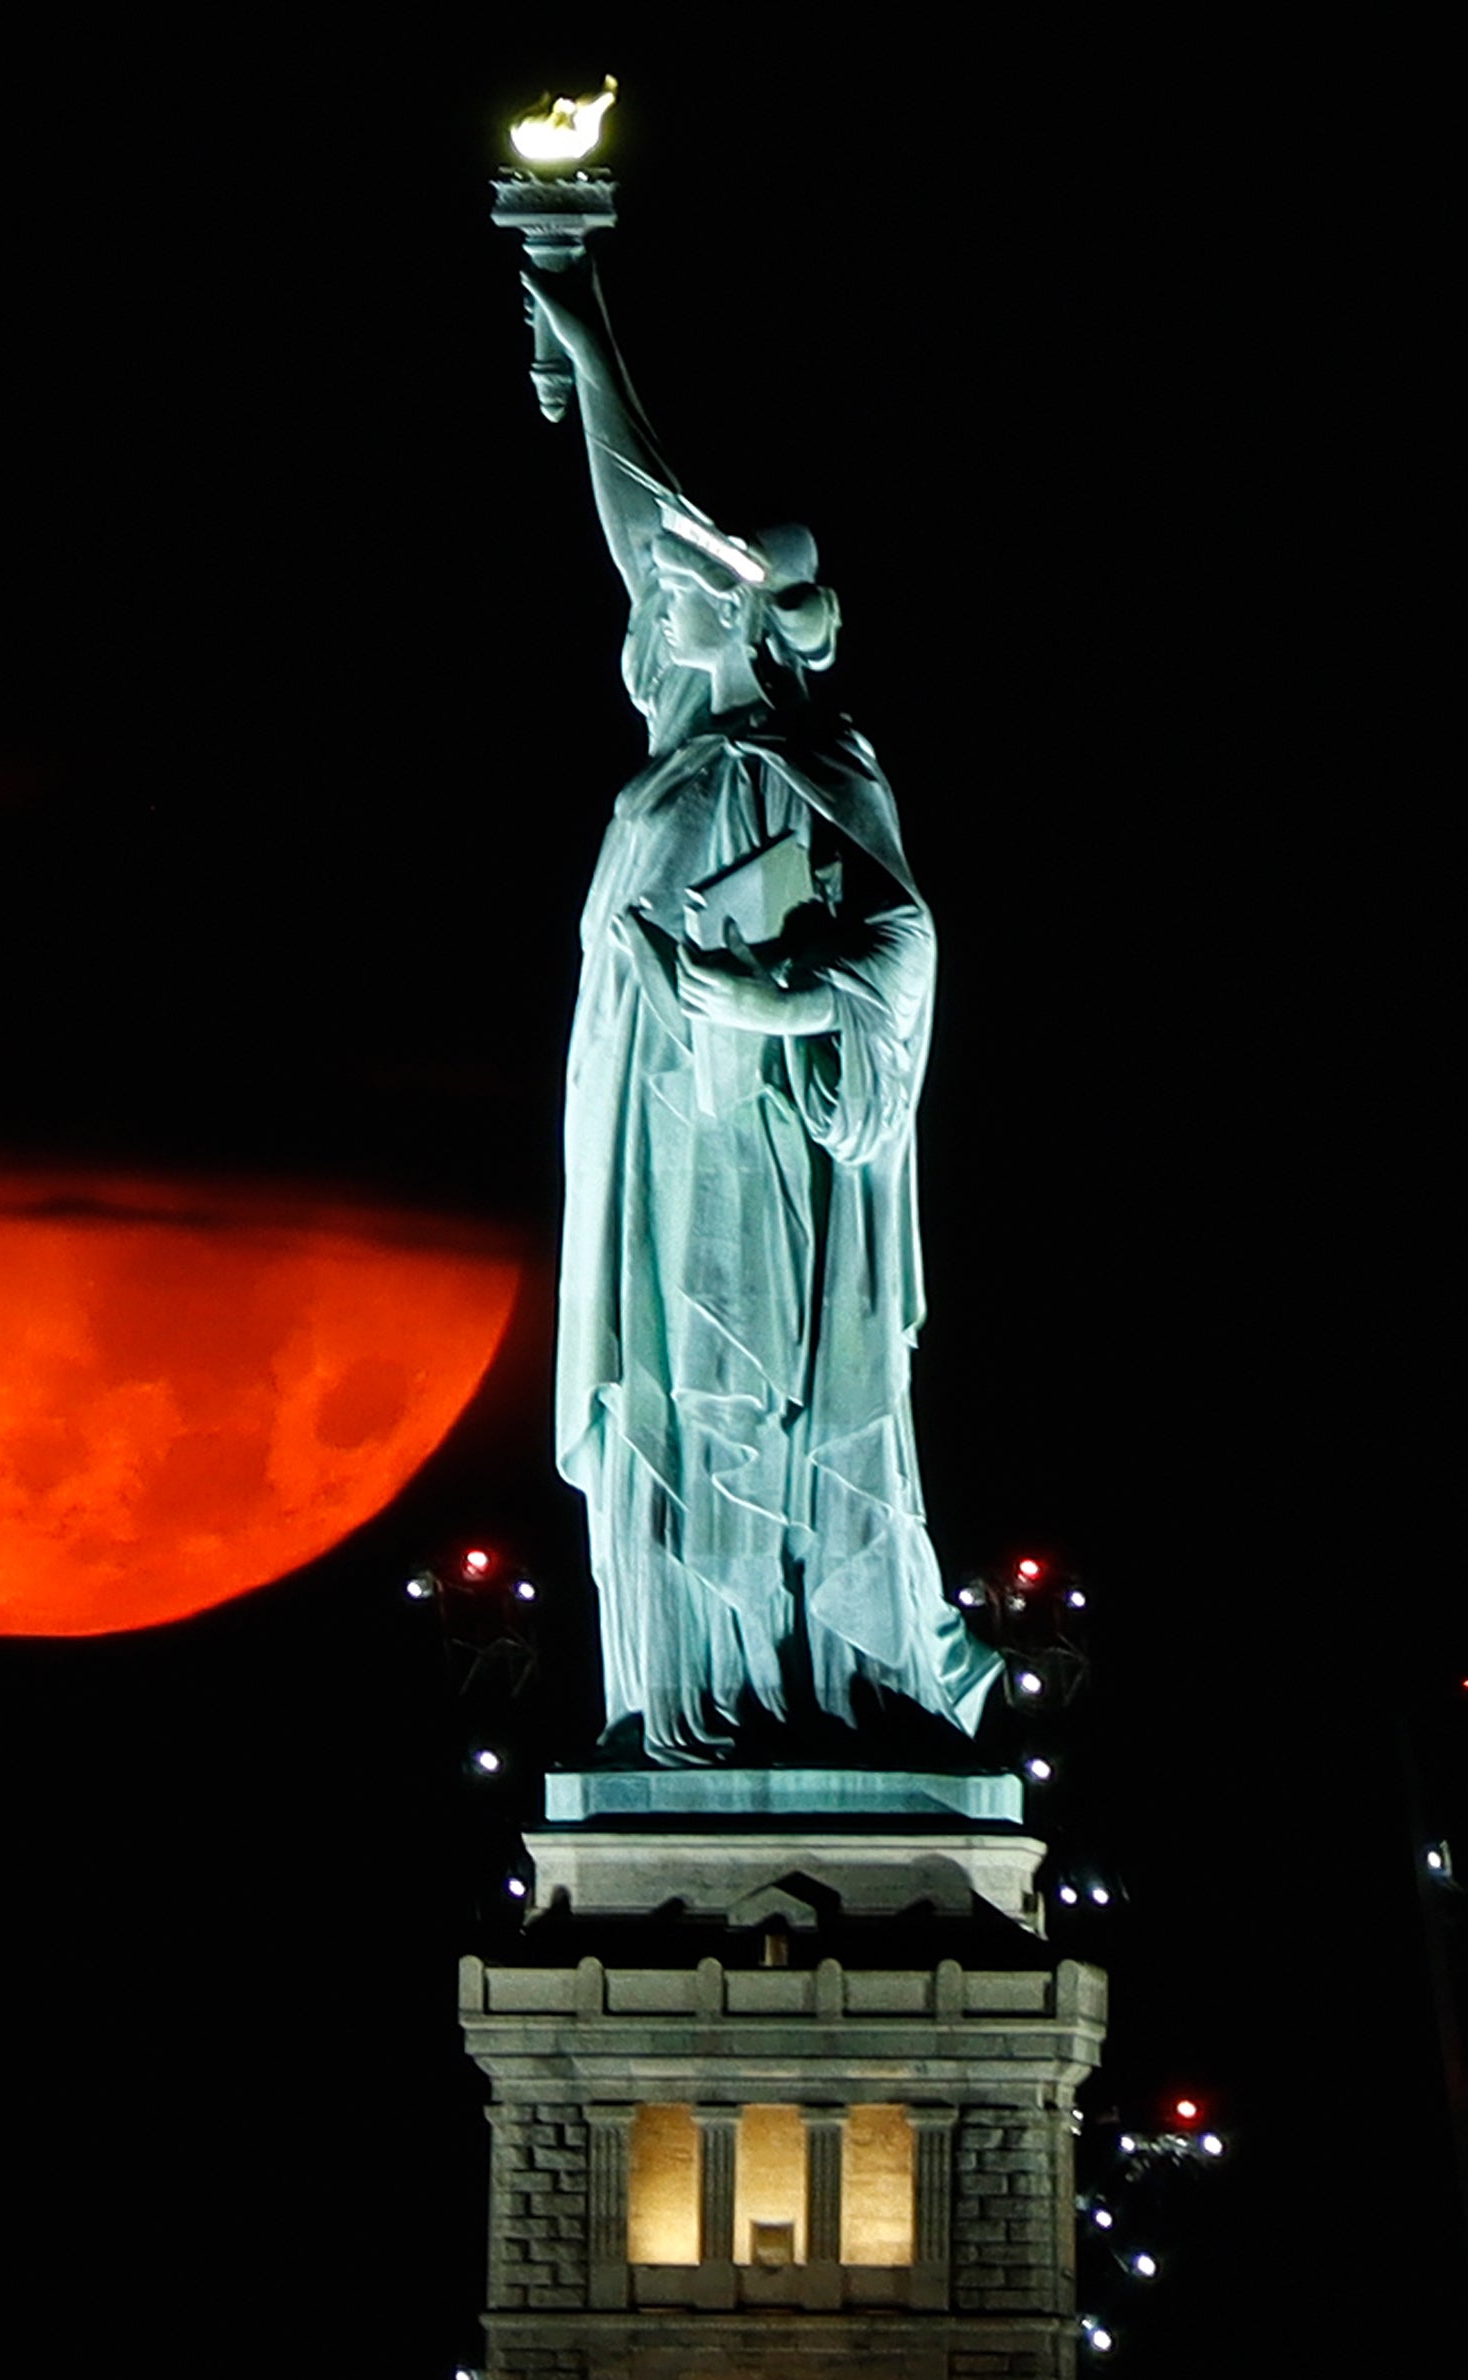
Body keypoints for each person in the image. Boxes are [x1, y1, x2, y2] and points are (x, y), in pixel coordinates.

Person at [527, 260, 996, 1766]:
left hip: (786, 1154)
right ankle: (697, 1686)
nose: (664, 606)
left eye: (697, 598)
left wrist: (769, 994)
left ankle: (831, 1674)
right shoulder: (668, 763)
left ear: (759, 627)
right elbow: (634, 509)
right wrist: (572, 308)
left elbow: (904, 945)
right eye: (666, 598)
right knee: (681, 1383)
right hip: (663, 1137)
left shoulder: (822, 763)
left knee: (783, 1390)